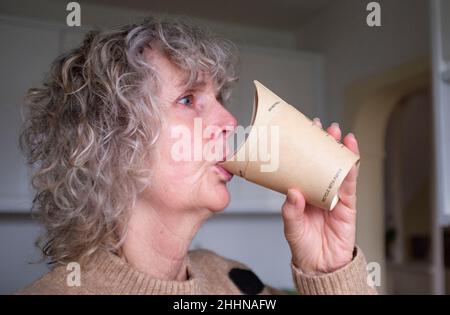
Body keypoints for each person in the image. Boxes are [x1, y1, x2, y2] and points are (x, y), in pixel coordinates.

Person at [17, 17, 376, 295]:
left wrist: (329, 271)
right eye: (188, 99)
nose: (230, 121)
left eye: (219, 99)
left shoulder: (236, 282)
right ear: (110, 140)